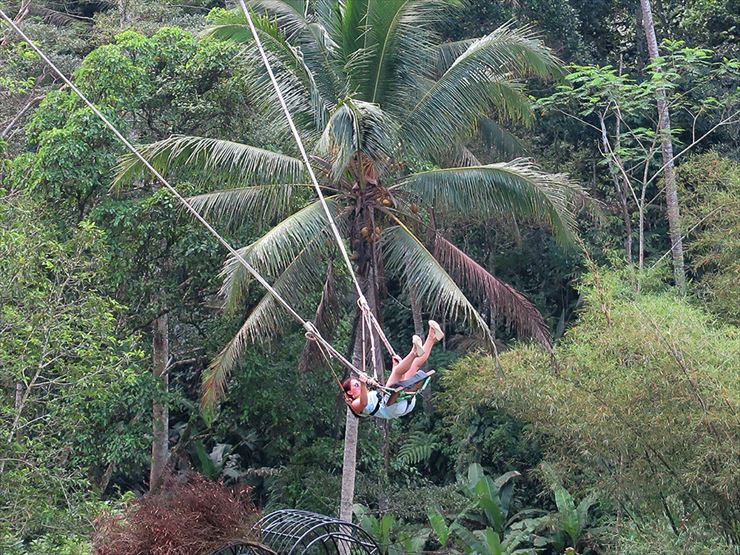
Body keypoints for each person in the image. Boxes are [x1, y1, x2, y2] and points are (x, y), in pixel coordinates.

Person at [342, 320, 444, 419]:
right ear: (350, 392)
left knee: (414, 365)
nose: (359, 384)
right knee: (398, 372)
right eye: (356, 385)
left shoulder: (369, 394)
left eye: (358, 383)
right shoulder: (355, 404)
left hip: (403, 402)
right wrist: (363, 383)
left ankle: (432, 337)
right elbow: (363, 402)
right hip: (391, 406)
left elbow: (398, 382)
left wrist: (395, 365)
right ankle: (414, 353)